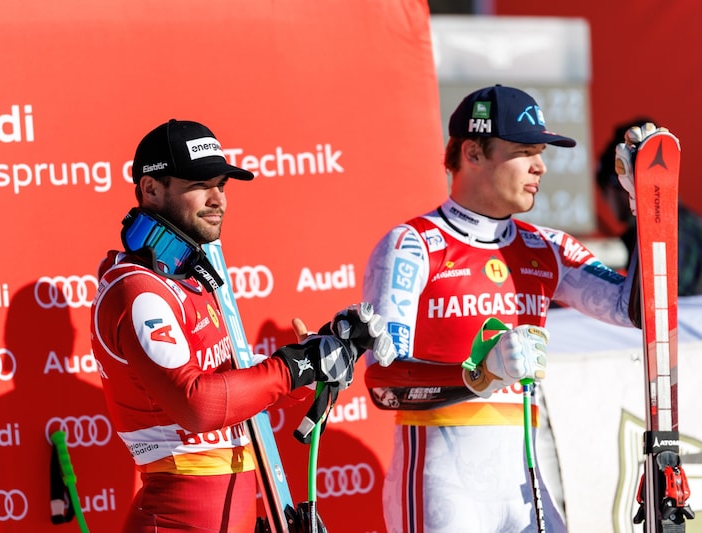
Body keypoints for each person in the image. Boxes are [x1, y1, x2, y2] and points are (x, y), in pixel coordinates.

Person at [361, 85, 666, 532]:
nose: (540, 165)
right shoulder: (413, 245)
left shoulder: (546, 246)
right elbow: (383, 383)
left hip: (524, 485)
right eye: (524, 151)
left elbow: (635, 311)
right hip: (442, 485)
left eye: (540, 151)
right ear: (473, 152)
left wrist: (647, 207)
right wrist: (479, 374)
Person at [90, 119, 395, 532]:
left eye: (223, 185)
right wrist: (293, 366)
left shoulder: (190, 278)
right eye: (200, 184)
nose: (219, 200)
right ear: (150, 189)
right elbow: (199, 405)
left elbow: (235, 398)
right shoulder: (137, 288)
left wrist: (320, 359)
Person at [596, 118, 702, 296]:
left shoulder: (672, 233)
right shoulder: (688, 225)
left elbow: (665, 301)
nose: (607, 202)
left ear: (617, 185)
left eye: (604, 190)